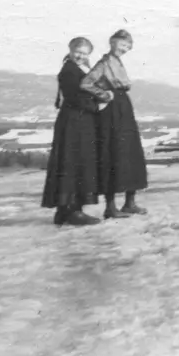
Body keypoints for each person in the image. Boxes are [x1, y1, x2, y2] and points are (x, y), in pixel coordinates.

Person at [82, 30, 149, 219]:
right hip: (112, 112)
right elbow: (86, 83)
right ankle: (110, 208)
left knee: (131, 152)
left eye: (128, 46)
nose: (124, 49)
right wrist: (104, 95)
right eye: (122, 44)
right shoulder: (104, 63)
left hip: (123, 108)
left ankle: (130, 203)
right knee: (113, 153)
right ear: (112, 42)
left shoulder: (118, 62)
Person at [41, 37, 101, 226]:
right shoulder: (69, 71)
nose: (81, 56)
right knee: (74, 162)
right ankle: (73, 210)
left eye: (84, 53)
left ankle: (64, 210)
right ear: (71, 49)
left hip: (78, 121)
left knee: (71, 162)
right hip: (75, 121)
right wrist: (98, 105)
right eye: (78, 52)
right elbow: (75, 98)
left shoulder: (79, 69)